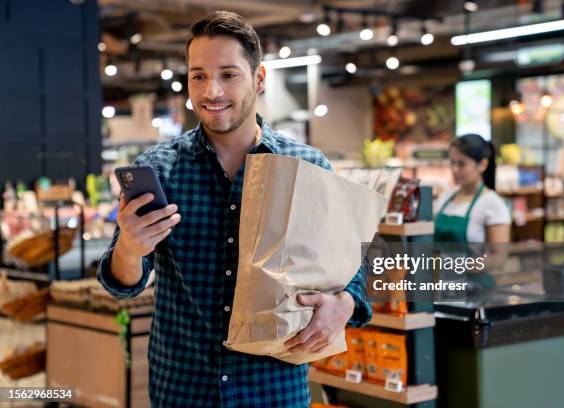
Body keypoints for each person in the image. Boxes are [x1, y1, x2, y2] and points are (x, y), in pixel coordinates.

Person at [97, 11, 371, 408]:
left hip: (273, 387)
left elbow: (353, 265)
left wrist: (344, 305)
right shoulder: (158, 170)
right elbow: (121, 283)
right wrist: (128, 248)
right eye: (198, 76)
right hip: (183, 388)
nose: (211, 92)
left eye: (228, 75)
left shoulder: (305, 166)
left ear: (259, 79)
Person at [434, 134, 511, 243]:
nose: (455, 169)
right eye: (452, 163)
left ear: (482, 165)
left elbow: (498, 257)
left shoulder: (493, 204)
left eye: (462, 164)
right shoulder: (445, 197)